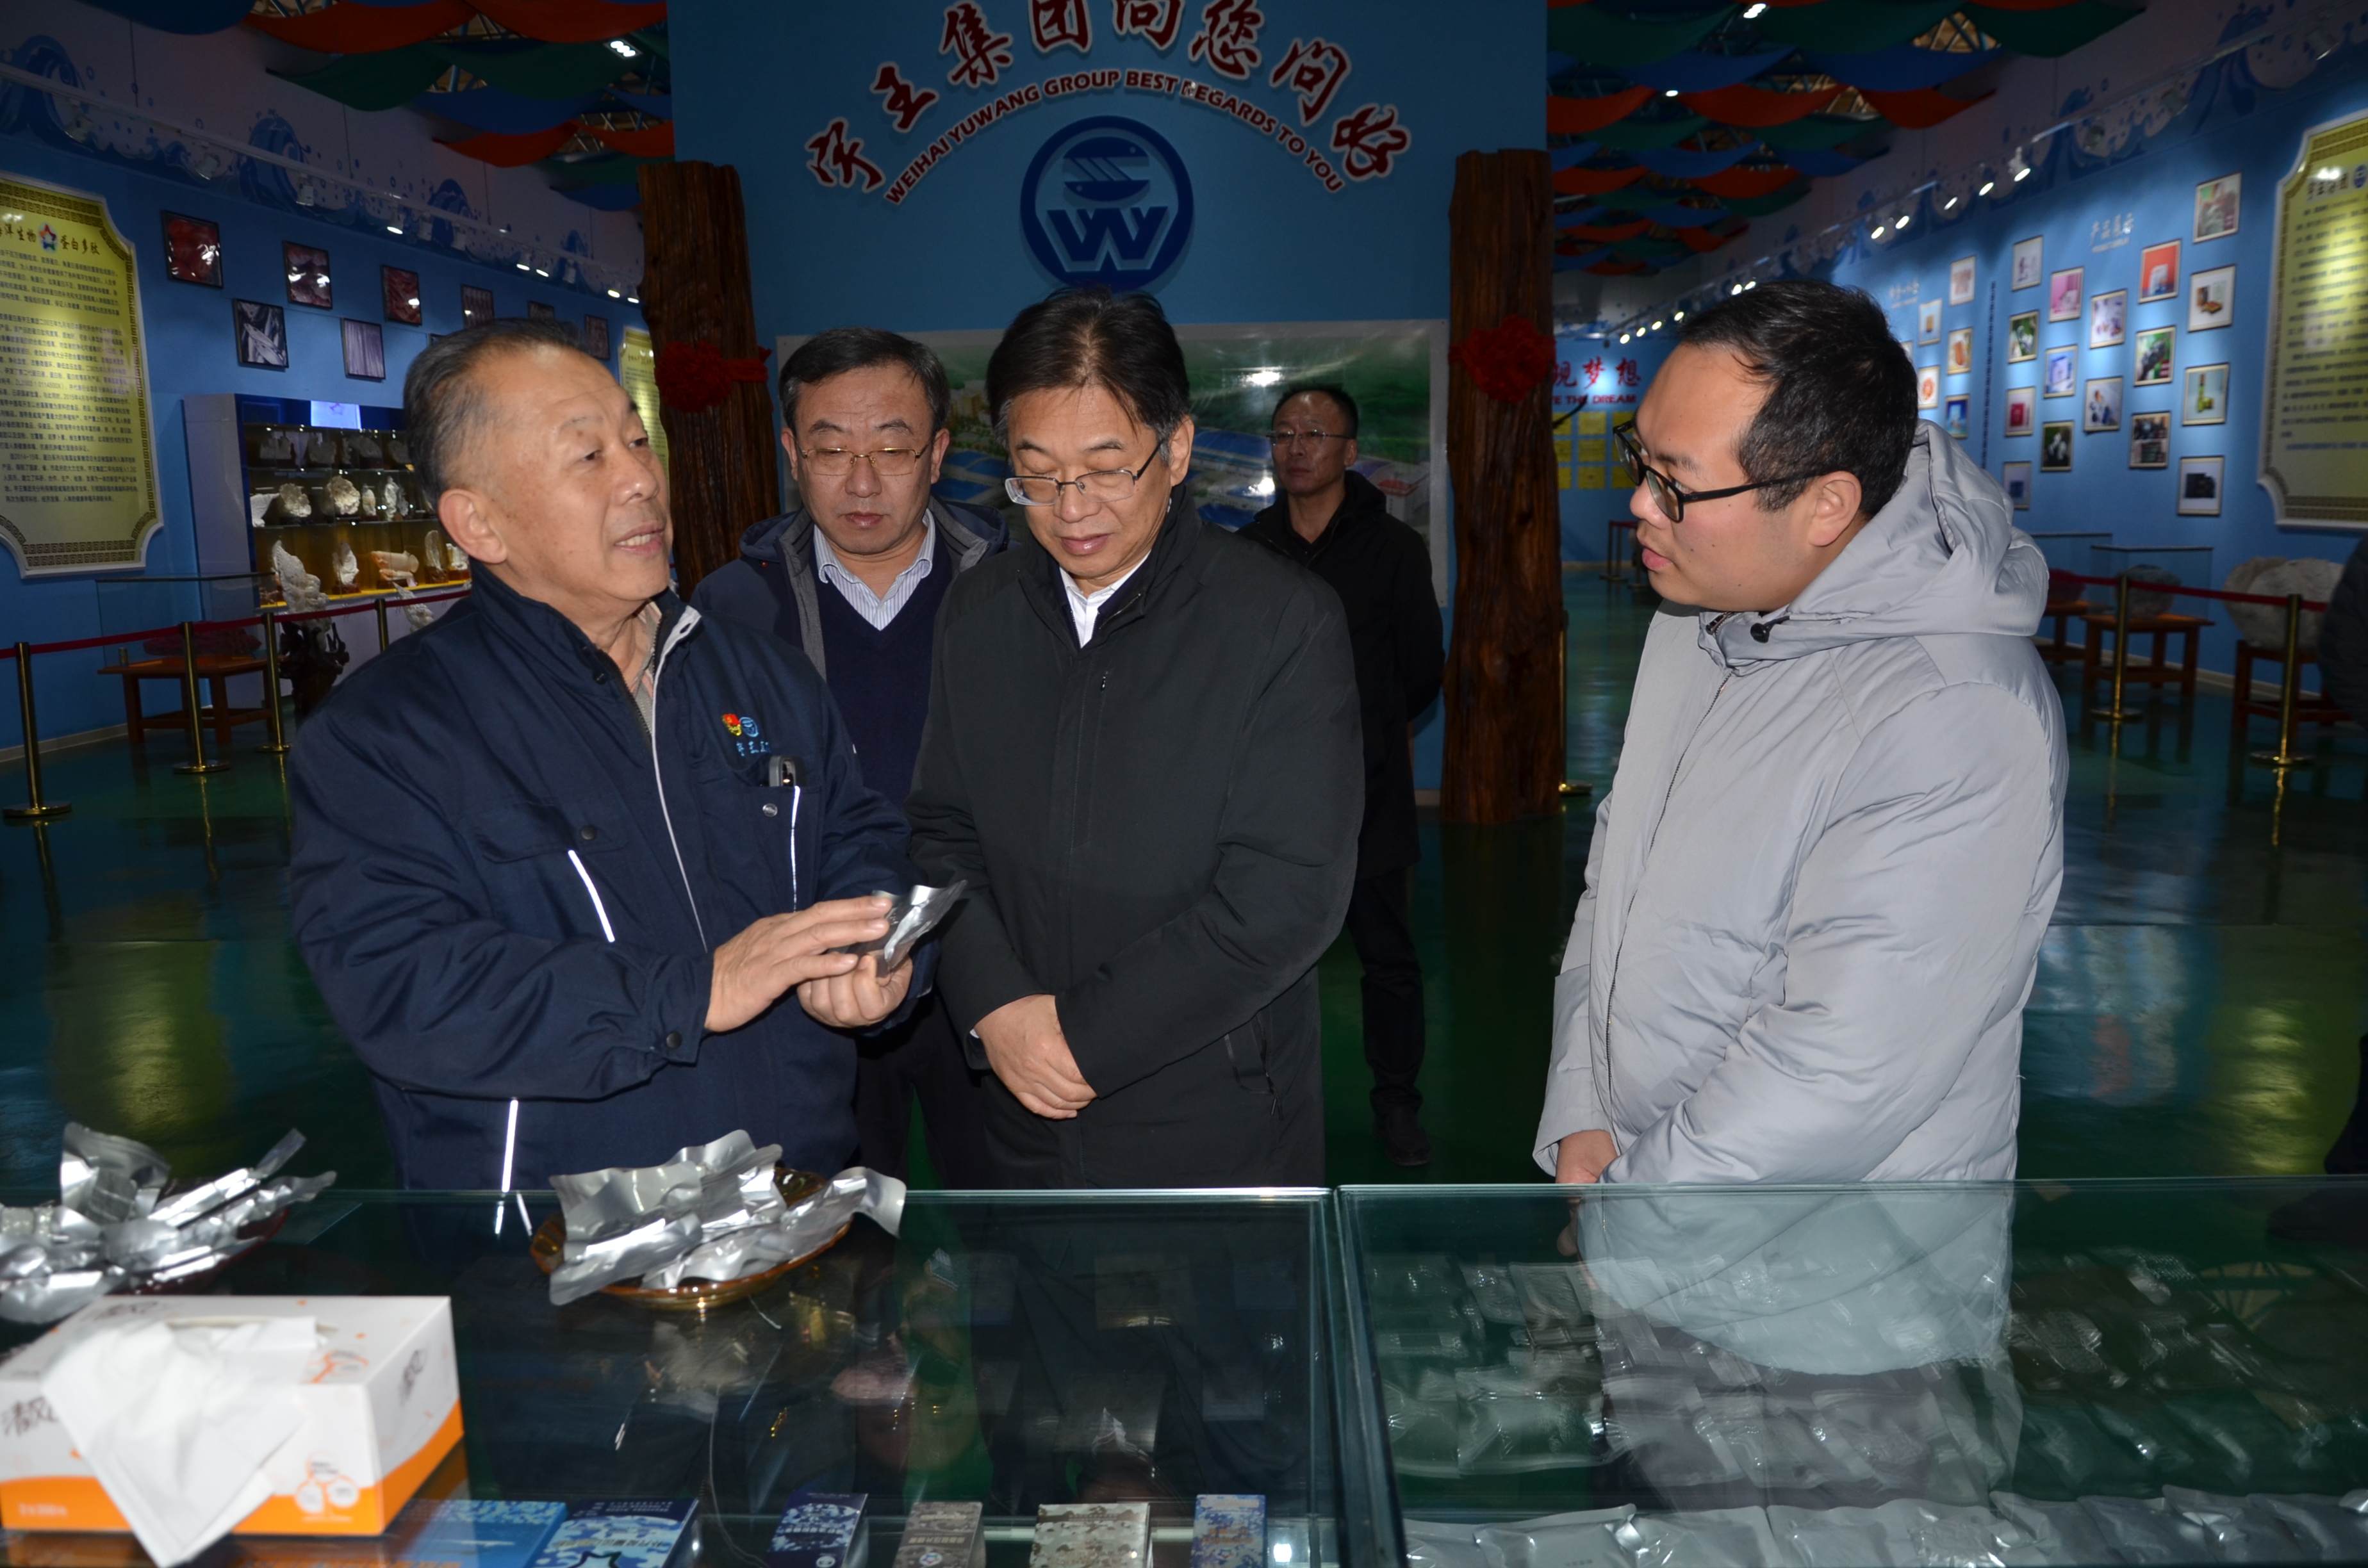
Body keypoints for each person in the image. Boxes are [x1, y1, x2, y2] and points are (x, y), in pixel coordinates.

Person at [288, 318, 922, 1191]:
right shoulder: (387, 737)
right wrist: (693, 992)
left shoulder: (759, 676)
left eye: (636, 441)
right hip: (565, 1238)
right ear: (480, 524)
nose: (640, 481)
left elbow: (856, 836)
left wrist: (878, 943)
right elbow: (405, 988)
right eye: (588, 457)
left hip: (797, 1195)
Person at [1534, 280, 2068, 1187]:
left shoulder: (1957, 713)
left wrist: (1634, 1208)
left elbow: (1840, 1069)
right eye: (1641, 458)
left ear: (1827, 505)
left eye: (1676, 483)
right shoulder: (1697, 621)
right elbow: (1613, 884)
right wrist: (1584, 1108)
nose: (1640, 504)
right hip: (1648, 1186)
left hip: (1824, 1246)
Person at [905, 286, 1363, 1188]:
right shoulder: (979, 613)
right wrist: (995, 1003)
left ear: (1177, 448)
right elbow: (941, 832)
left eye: (1107, 468)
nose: (1071, 508)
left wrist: (1080, 1039)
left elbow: (1284, 897)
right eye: (1037, 474)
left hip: (1211, 1116)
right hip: (1020, 1111)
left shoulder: (1280, 623)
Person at [691, 327, 1006, 1188]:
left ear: (937, 453)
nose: (862, 482)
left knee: (1010, 1222)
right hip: (816, 983)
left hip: (989, 962)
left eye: (892, 450)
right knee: (833, 1232)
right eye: (831, 450)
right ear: (793, 454)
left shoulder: (1011, 590)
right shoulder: (733, 607)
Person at [1240, 386, 1444, 1167]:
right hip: (1270, 797)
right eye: (1284, 433)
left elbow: (1421, 669)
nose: (1297, 447)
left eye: (1315, 434)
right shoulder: (1250, 550)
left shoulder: (1393, 549)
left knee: (1387, 959)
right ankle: (1265, 1104)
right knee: (1261, 957)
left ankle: (1397, 1106)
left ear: (1349, 452)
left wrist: (1366, 734)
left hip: (1368, 791)